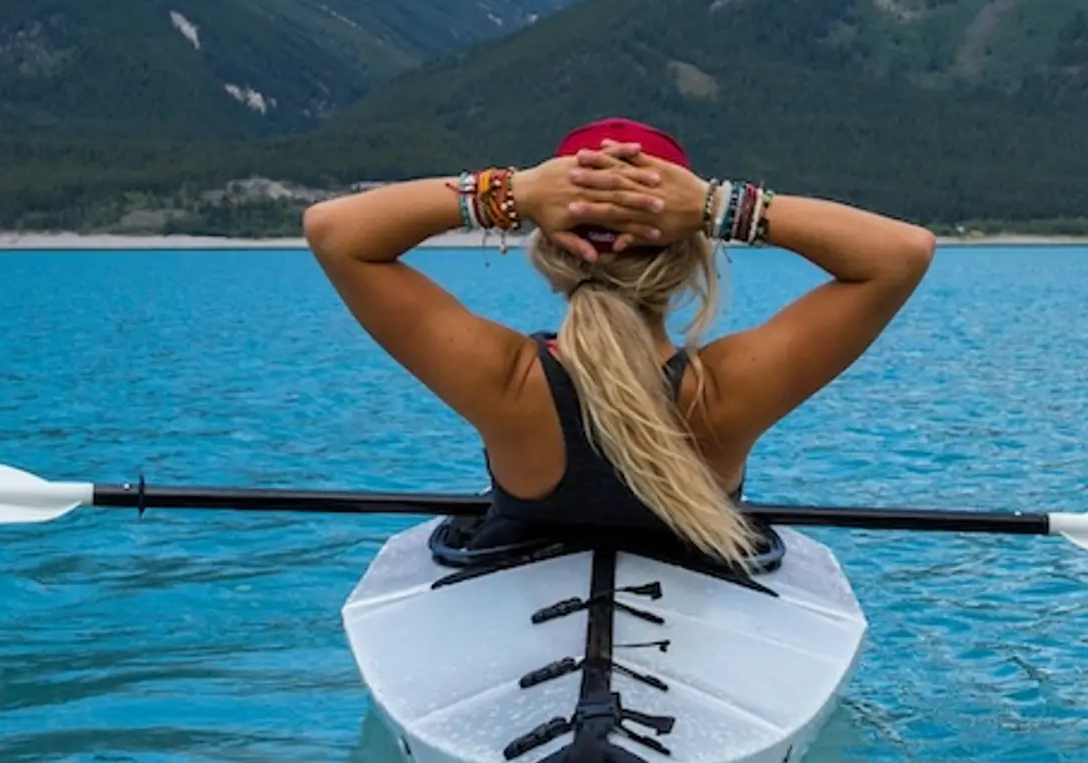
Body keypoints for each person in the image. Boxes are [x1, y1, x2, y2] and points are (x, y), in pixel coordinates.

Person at [302, 118, 935, 565]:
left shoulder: (505, 382)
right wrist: (718, 204)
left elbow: (335, 231)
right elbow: (902, 253)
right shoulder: (724, 393)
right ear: (690, 254)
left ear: (549, 247)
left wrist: (512, 192)